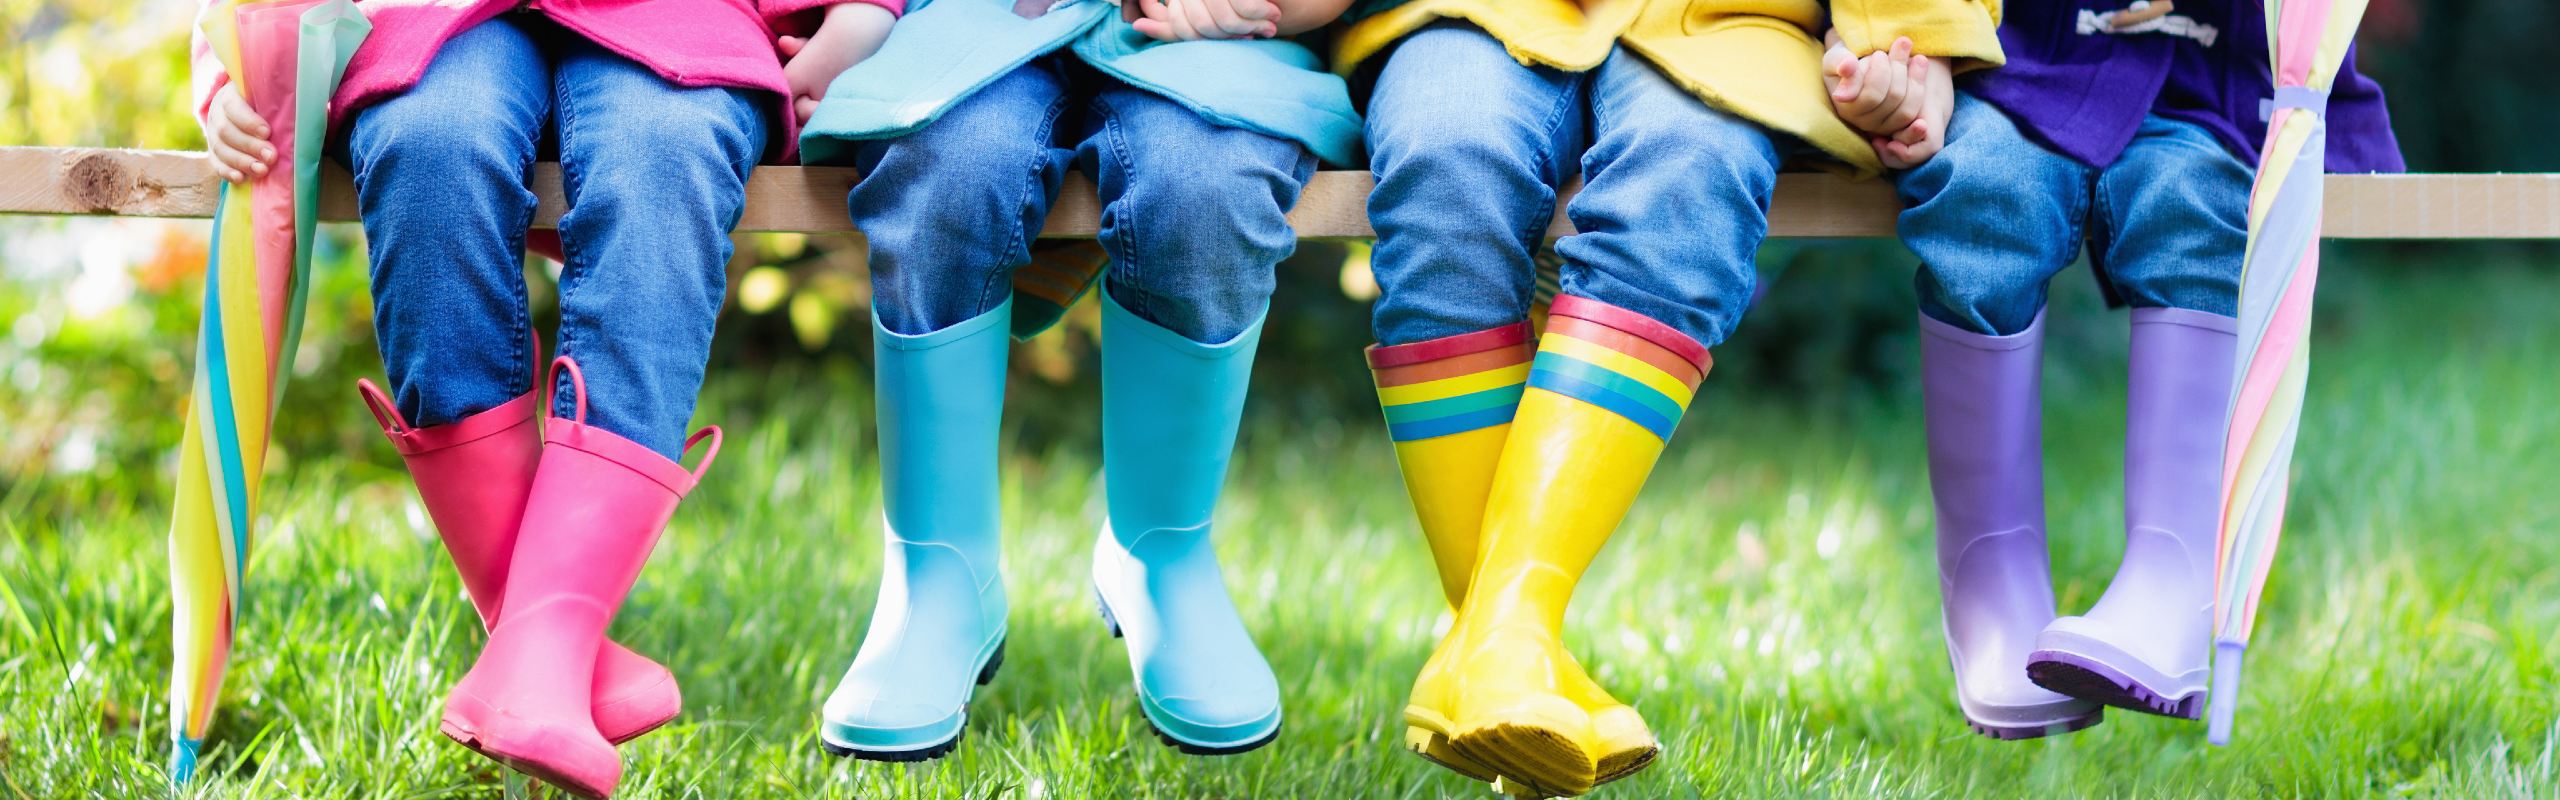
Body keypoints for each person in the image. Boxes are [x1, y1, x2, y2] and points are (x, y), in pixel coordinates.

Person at [197, 0, 901, 794]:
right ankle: (551, 656)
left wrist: (861, 17)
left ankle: (538, 660)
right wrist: (236, 63)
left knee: (665, 154)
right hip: (436, 21)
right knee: (429, 147)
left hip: (682, 20)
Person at [1340, 0, 2001, 794]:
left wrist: (1910, 44)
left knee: (1688, 181)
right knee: (1447, 164)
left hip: (1729, 25)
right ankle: (1507, 646)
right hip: (1467, 12)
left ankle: (1501, 636)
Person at [793, 0, 1360, 762]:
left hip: (1207, 46)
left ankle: (1161, 551)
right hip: (969, 29)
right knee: (946, 170)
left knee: (1204, 187)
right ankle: (939, 571)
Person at [1890, 0, 2401, 740]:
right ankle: (1988, 574)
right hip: (2029, 64)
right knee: (1984, 191)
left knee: (2192, 201)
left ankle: (2176, 574)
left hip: (2220, 78)